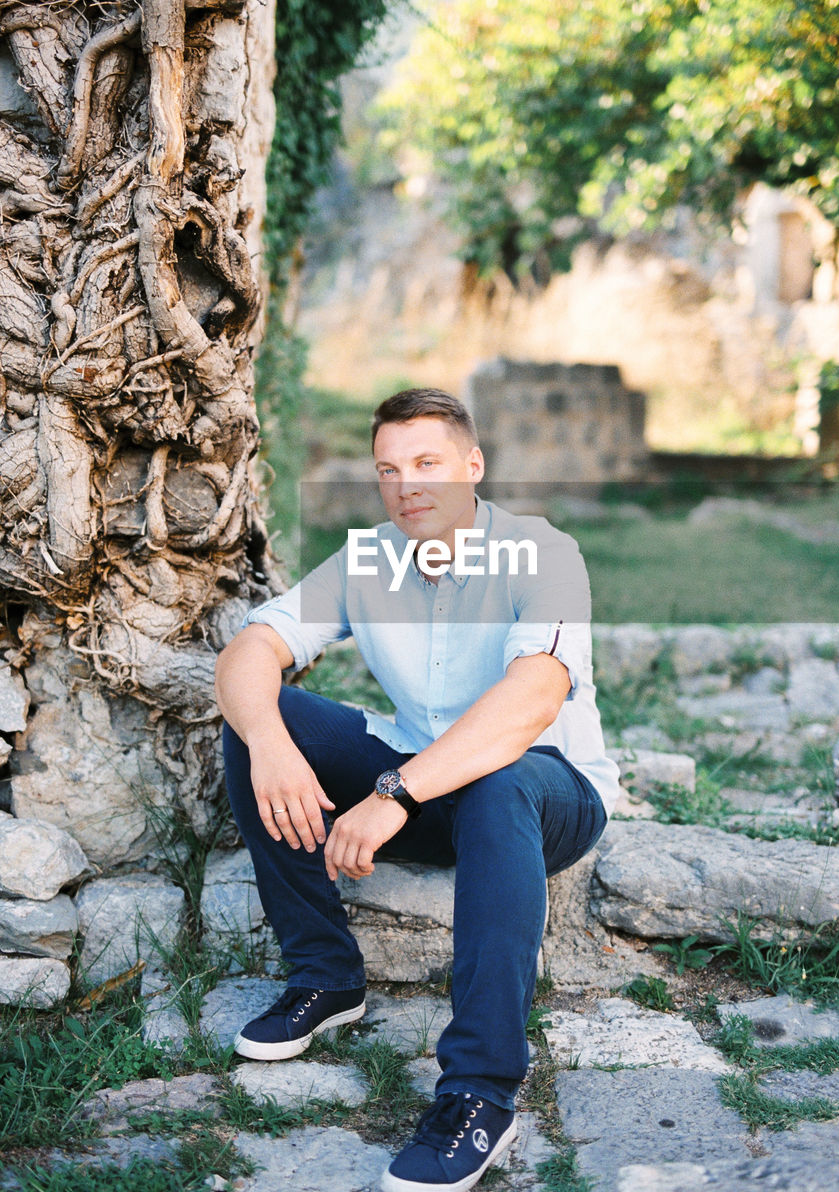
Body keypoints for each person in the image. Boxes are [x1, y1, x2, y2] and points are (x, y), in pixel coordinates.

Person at [215, 387, 619, 1192]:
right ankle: (325, 976)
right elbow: (252, 646)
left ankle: (480, 1091)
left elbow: (530, 701)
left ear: (473, 466)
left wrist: (392, 794)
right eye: (389, 470)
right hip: (428, 785)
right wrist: (269, 742)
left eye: (428, 463)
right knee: (263, 716)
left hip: (546, 792)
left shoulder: (542, 553)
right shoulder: (370, 558)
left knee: (500, 776)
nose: (408, 486)